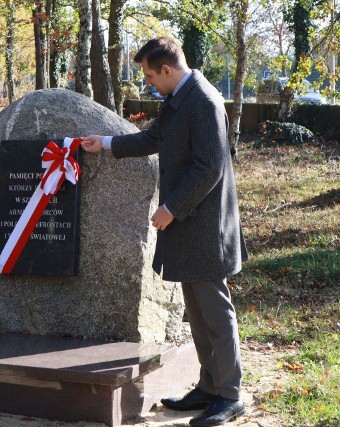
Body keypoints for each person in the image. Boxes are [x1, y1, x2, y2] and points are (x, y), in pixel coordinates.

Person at [80, 37, 248, 427]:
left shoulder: (203, 101)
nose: (149, 83)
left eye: (151, 75)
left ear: (168, 71)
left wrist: (171, 208)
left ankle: (230, 394)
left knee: (215, 312)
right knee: (198, 311)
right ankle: (209, 386)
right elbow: (153, 138)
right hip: (190, 227)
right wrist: (103, 143)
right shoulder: (180, 97)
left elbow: (209, 167)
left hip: (204, 225)